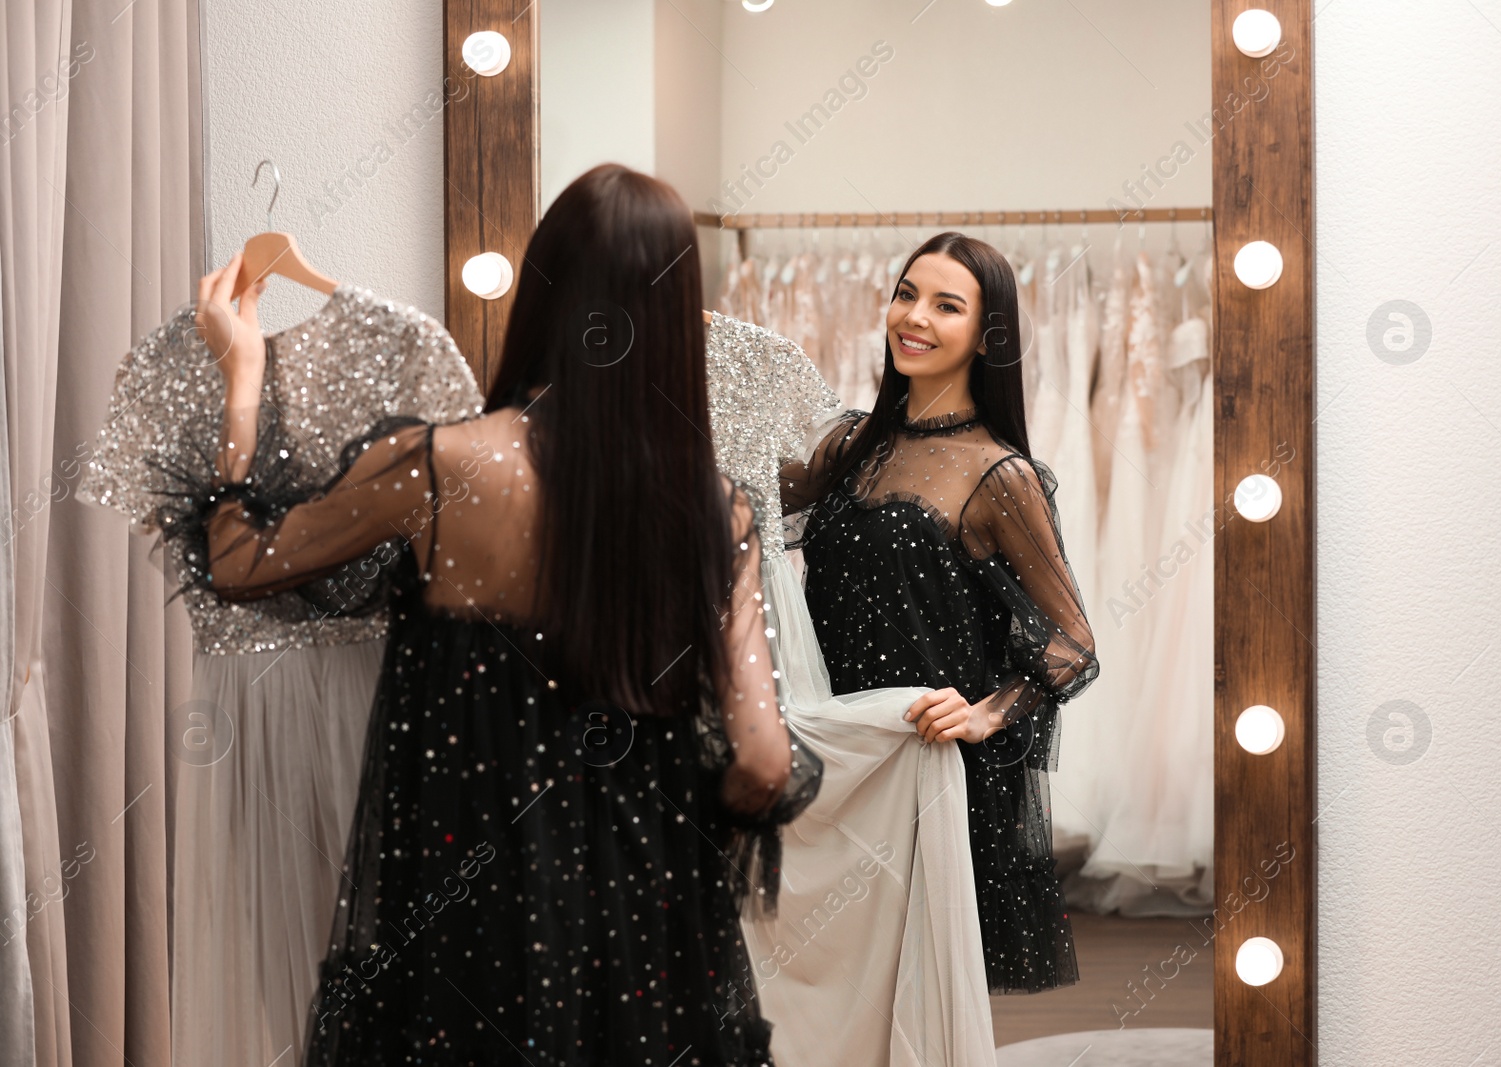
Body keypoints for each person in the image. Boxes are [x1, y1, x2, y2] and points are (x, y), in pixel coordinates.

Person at [163, 163, 822, 1065]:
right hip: (649, 938)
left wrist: (244, 376)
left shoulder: (441, 468)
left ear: (543, 293)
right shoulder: (716, 513)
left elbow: (239, 561)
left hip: (473, 922)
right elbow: (761, 760)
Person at [779, 230, 1100, 994]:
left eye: (945, 305)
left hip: (929, 766)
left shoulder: (999, 473)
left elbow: (1072, 644)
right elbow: (744, 507)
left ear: (986, 335)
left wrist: (990, 712)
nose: (912, 316)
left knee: (918, 997)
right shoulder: (851, 444)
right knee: (834, 987)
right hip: (836, 746)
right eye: (905, 293)